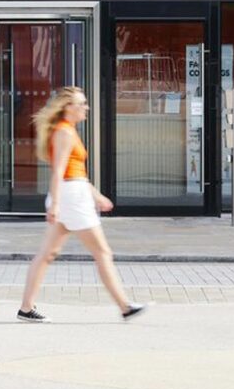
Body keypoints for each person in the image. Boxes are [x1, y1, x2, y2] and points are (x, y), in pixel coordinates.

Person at [17, 86, 145, 323]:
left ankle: (26, 308)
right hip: (71, 198)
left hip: (71, 195)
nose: (86, 107)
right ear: (68, 107)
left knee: (47, 254)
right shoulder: (64, 133)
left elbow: (75, 172)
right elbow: (59, 171)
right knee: (102, 252)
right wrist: (56, 204)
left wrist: (95, 195)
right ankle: (125, 307)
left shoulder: (67, 130)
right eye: (81, 104)